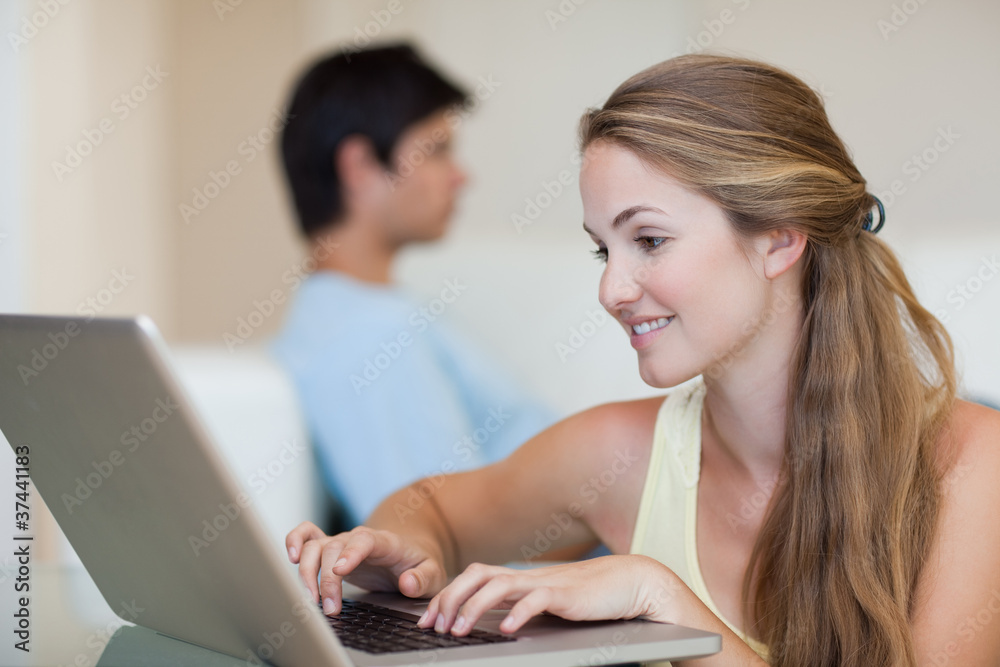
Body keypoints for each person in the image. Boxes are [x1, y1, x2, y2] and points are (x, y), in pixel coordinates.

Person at [285, 54, 1000, 666]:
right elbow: (428, 505)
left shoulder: (972, 467)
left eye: (649, 240)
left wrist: (660, 597)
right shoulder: (616, 454)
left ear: (780, 239)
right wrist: (398, 547)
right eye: (604, 248)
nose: (611, 289)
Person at [271, 44, 556, 528]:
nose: (461, 176)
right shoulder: (370, 340)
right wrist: (614, 504)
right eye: (438, 149)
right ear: (359, 165)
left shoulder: (356, 319)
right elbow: (452, 542)